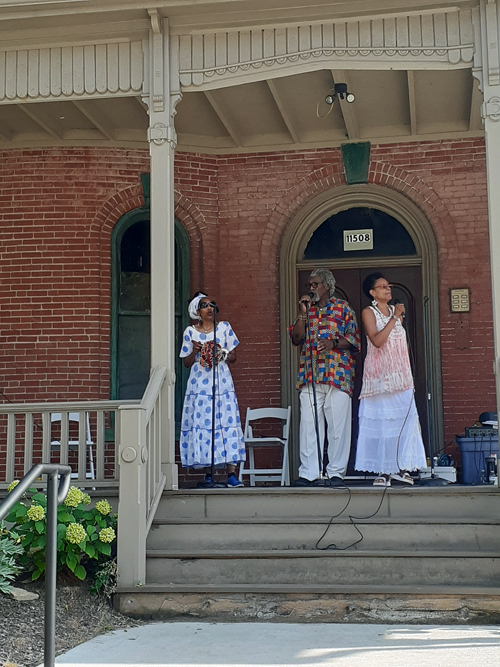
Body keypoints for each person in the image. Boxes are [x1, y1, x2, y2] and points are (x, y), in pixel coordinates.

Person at [289, 268, 360, 487]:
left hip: (337, 374)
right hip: (310, 374)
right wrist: (302, 312)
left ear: (328, 286)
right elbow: (296, 338)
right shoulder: (307, 311)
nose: (311, 289)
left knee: (338, 425)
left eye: (315, 285)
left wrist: (333, 343)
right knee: (309, 425)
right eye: (309, 286)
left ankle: (336, 473)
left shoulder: (343, 308)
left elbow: (354, 340)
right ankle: (309, 473)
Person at [355, 273, 426, 487]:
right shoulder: (369, 312)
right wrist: (394, 318)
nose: (388, 289)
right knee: (382, 425)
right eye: (383, 286)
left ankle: (401, 468)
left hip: (401, 377)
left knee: (404, 424)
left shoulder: (396, 315)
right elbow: (377, 340)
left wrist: (396, 317)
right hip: (379, 378)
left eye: (389, 286)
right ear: (372, 292)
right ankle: (383, 471)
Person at [179, 292, 246, 488]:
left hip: (222, 381)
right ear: (197, 311)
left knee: (226, 420)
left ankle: (231, 474)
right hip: (200, 384)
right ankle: (209, 473)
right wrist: (196, 350)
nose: (210, 308)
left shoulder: (224, 328)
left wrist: (223, 353)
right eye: (205, 305)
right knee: (204, 422)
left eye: (212, 305)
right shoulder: (190, 332)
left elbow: (234, 357)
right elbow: (186, 362)